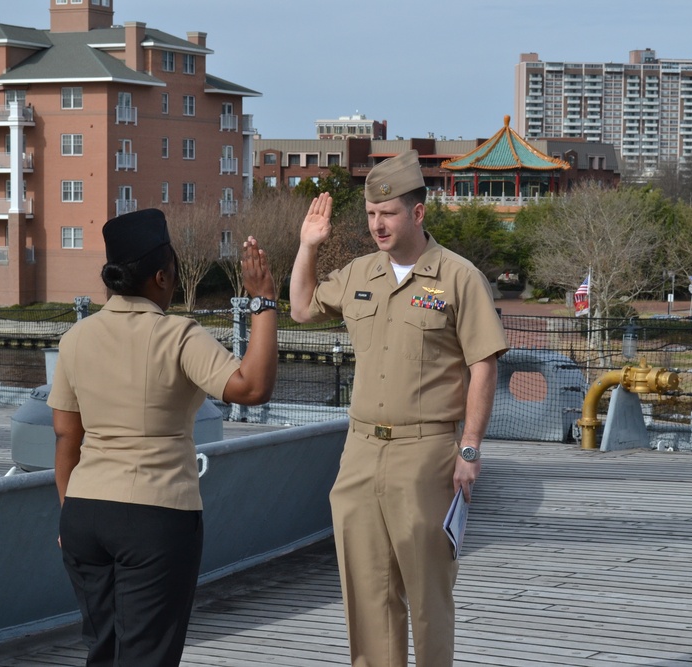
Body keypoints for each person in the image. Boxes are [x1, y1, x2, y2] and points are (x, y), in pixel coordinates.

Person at [289, 150, 508, 666]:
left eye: (387, 213)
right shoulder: (359, 273)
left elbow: (484, 365)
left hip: (427, 453)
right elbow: (300, 308)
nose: (377, 224)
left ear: (418, 212)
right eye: (370, 213)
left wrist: (470, 450)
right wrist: (307, 248)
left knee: (429, 597)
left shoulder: (458, 277)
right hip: (361, 451)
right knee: (367, 595)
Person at [48, 208, 278, 667]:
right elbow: (252, 387)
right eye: (172, 272)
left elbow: (65, 437)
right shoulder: (177, 334)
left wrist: (67, 512)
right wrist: (264, 301)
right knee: (147, 656)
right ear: (159, 276)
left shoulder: (76, 338)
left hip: (84, 514)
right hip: (154, 515)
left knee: (103, 651)